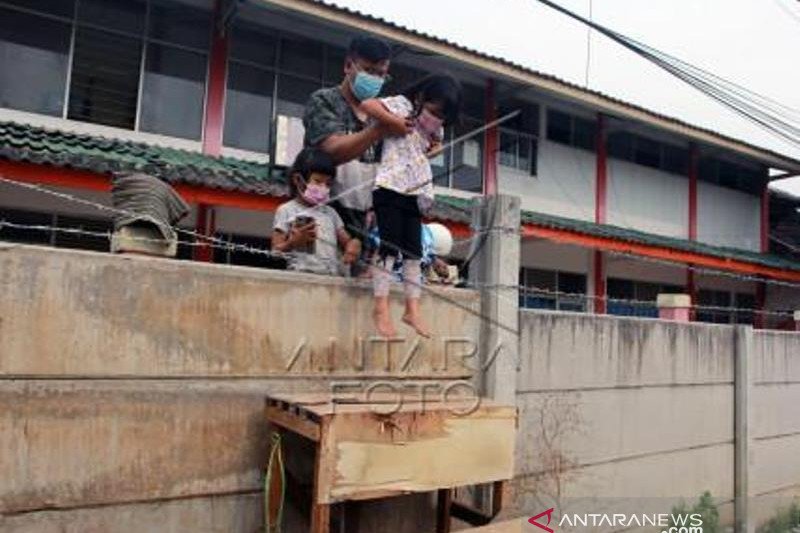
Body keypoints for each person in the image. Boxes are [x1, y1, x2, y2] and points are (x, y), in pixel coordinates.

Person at [359, 74, 462, 337]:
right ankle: (380, 308)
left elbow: (435, 142)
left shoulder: (435, 126)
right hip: (390, 185)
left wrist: (437, 147)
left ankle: (411, 309)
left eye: (442, 116)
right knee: (389, 248)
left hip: (414, 191)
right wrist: (392, 121)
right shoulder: (403, 105)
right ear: (420, 98)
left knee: (414, 253)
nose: (436, 119)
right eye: (434, 111)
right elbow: (368, 104)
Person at [303, 36, 407, 272]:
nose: (375, 79)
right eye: (369, 70)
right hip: (322, 220)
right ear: (348, 66)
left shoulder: (383, 113)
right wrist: (380, 128)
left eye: (381, 74)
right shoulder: (324, 101)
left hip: (366, 230)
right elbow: (333, 151)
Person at [271, 148, 361, 276]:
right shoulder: (286, 210)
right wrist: (293, 243)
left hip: (330, 279)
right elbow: (275, 251)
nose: (323, 187)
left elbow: (347, 241)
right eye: (318, 181)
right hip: (300, 279)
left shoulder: (331, 213)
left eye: (328, 184)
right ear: (297, 180)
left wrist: (354, 245)